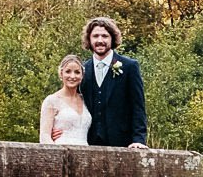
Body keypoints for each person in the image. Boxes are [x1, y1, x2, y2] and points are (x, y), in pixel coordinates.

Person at [79, 16, 148, 149]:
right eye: (95, 36)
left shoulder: (129, 67)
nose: (100, 40)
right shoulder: (82, 70)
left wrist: (139, 139)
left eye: (105, 36)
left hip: (123, 143)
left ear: (112, 38)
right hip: (88, 143)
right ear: (89, 39)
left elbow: (138, 106)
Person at [38, 55, 92, 145]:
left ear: (82, 75)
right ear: (61, 73)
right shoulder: (51, 101)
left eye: (77, 72)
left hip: (85, 152)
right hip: (62, 153)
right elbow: (44, 137)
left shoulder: (86, 100)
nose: (72, 76)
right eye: (68, 71)